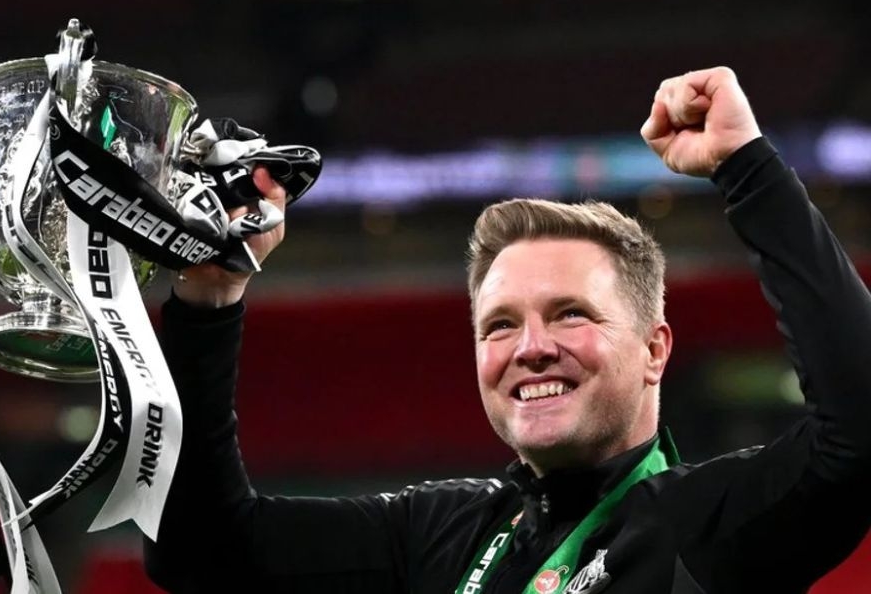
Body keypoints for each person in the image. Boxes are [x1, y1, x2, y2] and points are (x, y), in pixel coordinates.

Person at [143, 67, 871, 593]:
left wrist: (747, 167)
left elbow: (859, 430)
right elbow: (201, 551)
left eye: (570, 313)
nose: (530, 348)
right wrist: (209, 302)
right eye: (499, 325)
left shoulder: (709, 525)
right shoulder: (439, 534)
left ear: (654, 350)